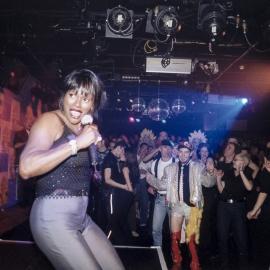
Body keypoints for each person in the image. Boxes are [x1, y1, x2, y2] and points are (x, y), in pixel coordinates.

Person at [19, 69, 124, 270]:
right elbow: (26, 167)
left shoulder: (83, 128)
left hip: (82, 219)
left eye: (85, 98)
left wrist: (98, 149)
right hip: (52, 219)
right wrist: (76, 143)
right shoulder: (50, 121)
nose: (76, 103)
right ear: (64, 96)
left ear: (92, 105)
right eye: (72, 94)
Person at [145, 140, 216, 270]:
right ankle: (177, 261)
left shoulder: (198, 167)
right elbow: (161, 185)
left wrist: (211, 173)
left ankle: (195, 263)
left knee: (191, 238)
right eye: (181, 152)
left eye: (186, 152)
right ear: (177, 152)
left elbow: (209, 183)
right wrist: (149, 177)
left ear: (191, 153)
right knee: (174, 236)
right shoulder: (170, 168)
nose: (183, 155)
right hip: (176, 206)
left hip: (192, 207)